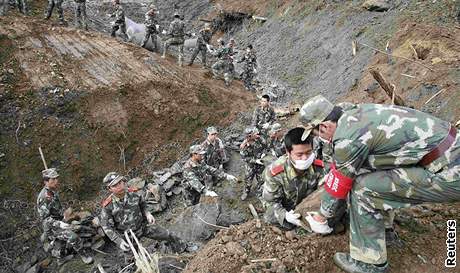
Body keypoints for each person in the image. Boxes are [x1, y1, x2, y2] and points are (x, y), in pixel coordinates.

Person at [300, 95, 460, 273]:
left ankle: (369, 262)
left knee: (363, 190)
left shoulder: (348, 138)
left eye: (316, 133)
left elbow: (341, 181)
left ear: (323, 126)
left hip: (449, 173)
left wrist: (322, 217)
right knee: (370, 172)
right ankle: (384, 231)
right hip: (450, 153)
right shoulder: (356, 113)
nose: (320, 138)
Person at [100, 172, 189, 253]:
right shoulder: (108, 205)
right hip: (128, 236)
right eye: (115, 185)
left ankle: (183, 247)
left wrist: (147, 214)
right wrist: (119, 241)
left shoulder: (134, 193)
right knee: (133, 259)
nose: (119, 186)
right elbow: (106, 226)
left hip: (143, 226)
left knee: (167, 235)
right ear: (110, 189)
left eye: (120, 182)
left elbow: (143, 204)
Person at [262, 127, 324, 229]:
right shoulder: (276, 172)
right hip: (286, 209)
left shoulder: (319, 167)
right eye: (299, 154)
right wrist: (285, 215)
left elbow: (323, 193)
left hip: (307, 207)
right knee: (270, 217)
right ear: (288, 152)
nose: (305, 158)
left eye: (308, 152)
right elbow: (269, 202)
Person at [37, 168, 93, 264]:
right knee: (73, 237)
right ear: (46, 181)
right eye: (53, 179)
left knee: (68, 233)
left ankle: (60, 259)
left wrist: (63, 216)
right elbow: (45, 219)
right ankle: (84, 256)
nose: (56, 181)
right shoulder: (44, 198)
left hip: (59, 220)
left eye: (56, 178)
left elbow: (56, 208)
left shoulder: (52, 191)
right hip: (52, 226)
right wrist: (59, 223)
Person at [240, 127, 267, 201]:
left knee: (262, 179)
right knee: (248, 180)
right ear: (249, 136)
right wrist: (255, 161)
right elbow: (244, 158)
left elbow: (265, 146)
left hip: (260, 164)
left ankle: (260, 192)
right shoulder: (244, 146)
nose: (257, 134)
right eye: (254, 133)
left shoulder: (259, 139)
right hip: (250, 166)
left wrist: (264, 153)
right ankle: (246, 192)